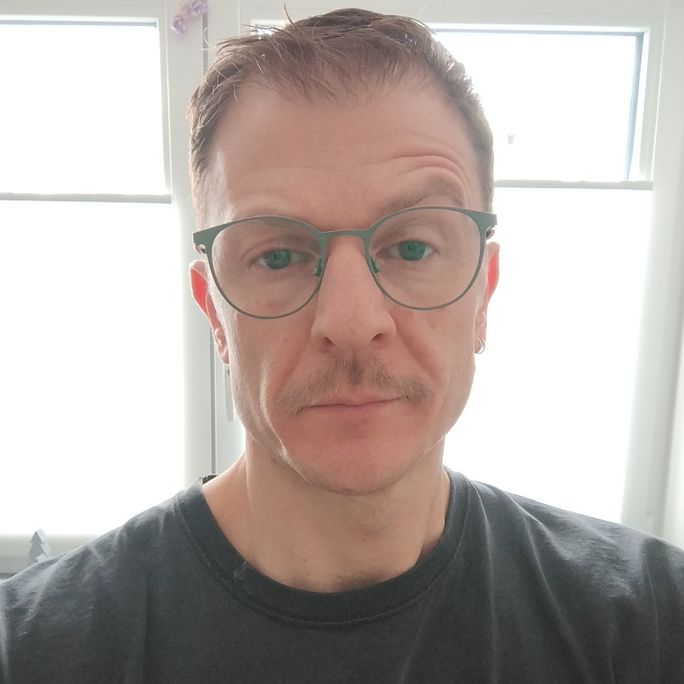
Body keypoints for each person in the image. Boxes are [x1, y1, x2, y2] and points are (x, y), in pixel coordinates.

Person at [1, 8, 683, 683]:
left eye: (412, 247)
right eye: (277, 256)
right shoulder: (35, 651)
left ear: (483, 293)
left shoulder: (649, 621)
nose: (353, 322)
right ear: (214, 311)